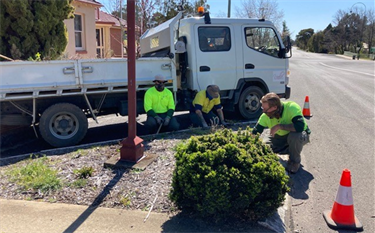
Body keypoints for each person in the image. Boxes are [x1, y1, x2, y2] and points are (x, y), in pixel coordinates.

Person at [252, 93, 311, 174]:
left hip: (298, 135)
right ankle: (289, 149)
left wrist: (279, 126)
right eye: (263, 108)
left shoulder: (291, 108)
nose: (263, 111)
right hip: (279, 137)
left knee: (295, 136)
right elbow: (255, 132)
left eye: (265, 109)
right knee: (264, 146)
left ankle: (294, 161)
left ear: (274, 107)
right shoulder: (265, 116)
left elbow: (300, 126)